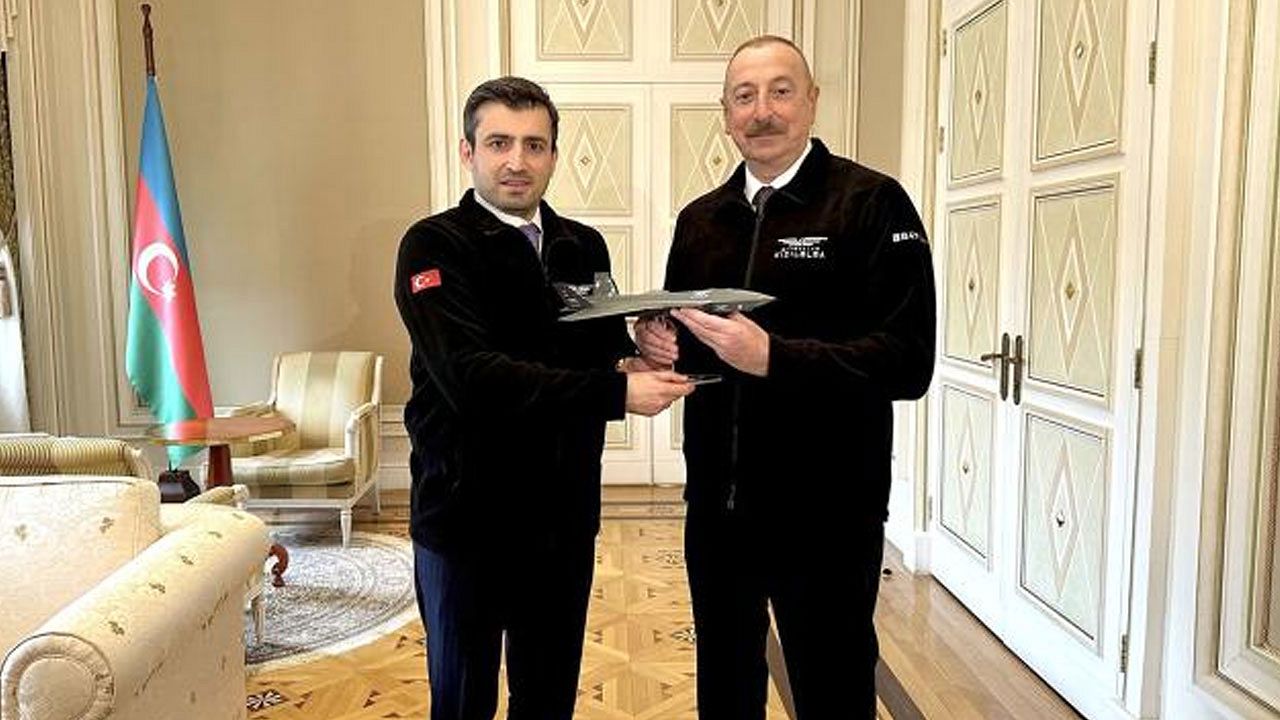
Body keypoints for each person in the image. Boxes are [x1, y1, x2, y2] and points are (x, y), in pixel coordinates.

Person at [634, 36, 936, 719]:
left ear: (812, 101)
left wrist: (776, 357)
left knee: (832, 685)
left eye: (780, 91)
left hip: (829, 511)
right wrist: (658, 343)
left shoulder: (872, 202)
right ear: (725, 114)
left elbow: (908, 360)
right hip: (717, 508)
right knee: (724, 683)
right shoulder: (699, 220)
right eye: (744, 96)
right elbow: (690, 343)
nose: (762, 111)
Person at [394, 76, 693, 720]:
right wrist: (616, 390)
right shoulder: (432, 245)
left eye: (534, 145)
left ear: (554, 155)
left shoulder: (582, 245)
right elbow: (471, 378)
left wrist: (641, 350)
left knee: (549, 697)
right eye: (498, 142)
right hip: (465, 521)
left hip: (562, 520)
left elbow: (601, 347)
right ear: (467, 152)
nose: (517, 161)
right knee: (463, 701)